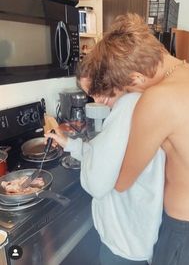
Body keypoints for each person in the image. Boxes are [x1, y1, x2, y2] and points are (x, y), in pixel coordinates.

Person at [79, 13, 189, 265]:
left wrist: (88, 151)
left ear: (136, 79)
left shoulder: (159, 99)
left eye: (126, 91)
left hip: (185, 234)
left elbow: (121, 182)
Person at [46, 83, 166, 263]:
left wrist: (80, 153)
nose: (96, 100)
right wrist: (70, 144)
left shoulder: (127, 107)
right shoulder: (142, 101)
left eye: (95, 90)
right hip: (139, 233)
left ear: (112, 78)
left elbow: (97, 184)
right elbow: (107, 154)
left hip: (125, 242)